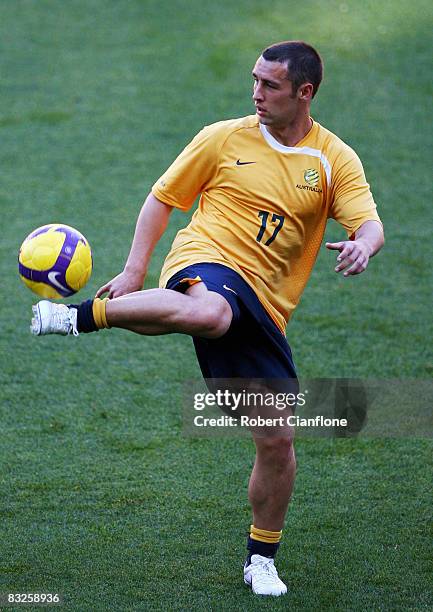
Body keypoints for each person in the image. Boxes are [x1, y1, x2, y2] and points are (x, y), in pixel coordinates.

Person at [30, 41, 384, 596]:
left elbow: (370, 223)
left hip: (266, 305)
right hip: (207, 258)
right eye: (254, 80)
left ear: (304, 93)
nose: (256, 93)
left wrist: (365, 245)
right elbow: (162, 197)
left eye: (270, 85)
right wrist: (132, 270)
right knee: (213, 312)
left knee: (277, 439)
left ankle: (260, 558)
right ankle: (76, 318)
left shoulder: (333, 160)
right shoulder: (223, 136)